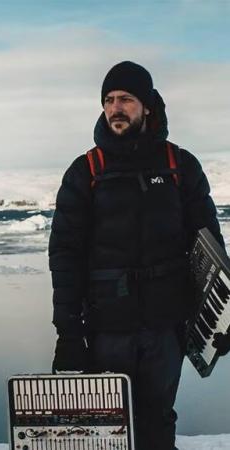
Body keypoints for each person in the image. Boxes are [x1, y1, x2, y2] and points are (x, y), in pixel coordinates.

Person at [48, 61, 226, 450]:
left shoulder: (180, 165)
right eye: (109, 100)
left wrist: (220, 323)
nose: (116, 108)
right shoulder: (85, 171)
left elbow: (210, 247)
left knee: (157, 420)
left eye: (126, 99)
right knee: (108, 427)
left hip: (165, 327)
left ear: (147, 106)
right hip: (106, 327)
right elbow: (65, 258)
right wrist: (68, 333)